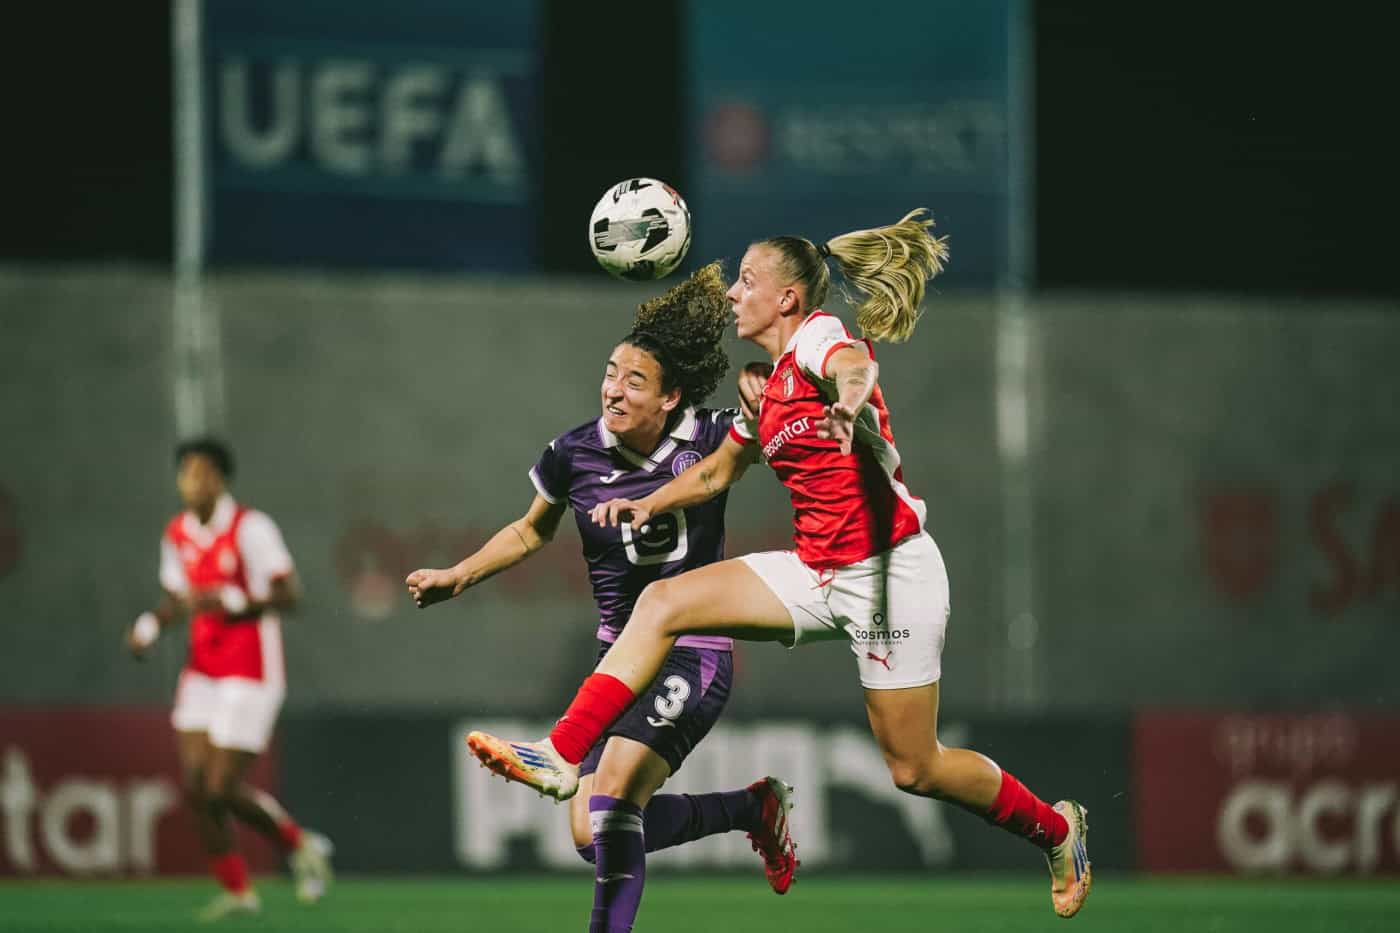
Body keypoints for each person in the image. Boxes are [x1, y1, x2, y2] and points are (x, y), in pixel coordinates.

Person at [467, 211, 1093, 919]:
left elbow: (854, 365)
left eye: (747, 280)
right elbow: (715, 473)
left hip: (889, 577)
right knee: (663, 602)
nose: (734, 293)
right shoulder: (764, 386)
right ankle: (560, 753)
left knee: (915, 768)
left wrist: (848, 402)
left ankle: (1057, 830)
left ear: (787, 298)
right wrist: (647, 503)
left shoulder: (817, 339)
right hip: (818, 571)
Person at [404, 263, 799, 933]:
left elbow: (771, 436)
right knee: (592, 833)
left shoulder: (710, 435)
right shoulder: (573, 452)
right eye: (611, 373)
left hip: (693, 648)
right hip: (619, 656)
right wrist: (459, 574)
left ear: (670, 397)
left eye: (634, 381)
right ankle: (750, 808)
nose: (614, 389)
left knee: (611, 798)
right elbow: (531, 529)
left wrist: (772, 389)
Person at [126, 437, 332, 921]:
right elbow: (178, 599)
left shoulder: (250, 528)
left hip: (250, 669)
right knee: (197, 790)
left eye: (202, 473)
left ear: (220, 479)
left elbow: (290, 595)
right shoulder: (177, 532)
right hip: (202, 670)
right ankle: (240, 893)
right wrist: (150, 626)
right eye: (186, 473)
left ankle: (300, 844)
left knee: (221, 786)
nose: (193, 482)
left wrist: (237, 601)